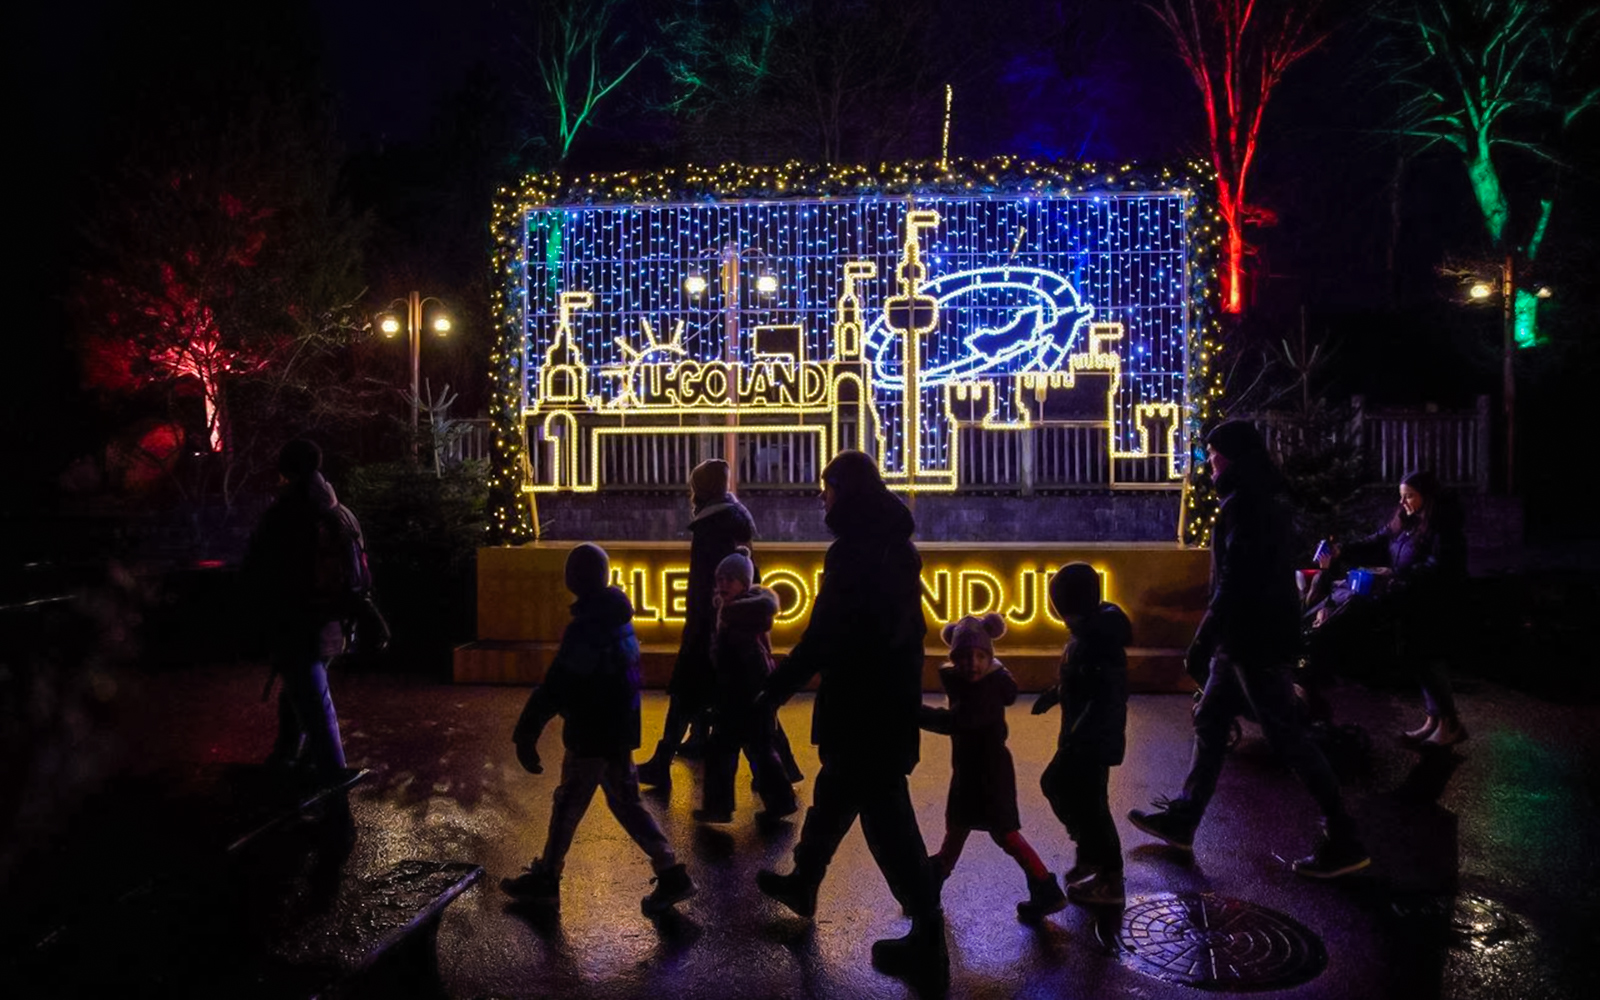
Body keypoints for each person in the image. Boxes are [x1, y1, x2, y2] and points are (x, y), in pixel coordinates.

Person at [1127, 420, 1370, 879]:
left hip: (1251, 640)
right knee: (1211, 719)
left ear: (1234, 456)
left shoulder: (1247, 505)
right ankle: (1183, 818)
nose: (1210, 463)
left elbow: (1237, 581)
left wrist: (1202, 639)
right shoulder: (1256, 499)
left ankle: (1345, 837)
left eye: (1215, 454)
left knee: (1286, 736)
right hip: (1243, 638)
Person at [755, 450, 947, 994]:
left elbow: (827, 635)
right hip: (882, 706)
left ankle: (926, 928)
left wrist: (776, 685)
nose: (823, 496)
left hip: (865, 707)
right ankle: (804, 880)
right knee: (836, 792)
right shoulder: (894, 549)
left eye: (828, 487)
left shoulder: (855, 554)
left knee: (887, 820)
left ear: (847, 491)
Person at [501, 543, 696, 917]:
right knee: (626, 803)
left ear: (574, 579)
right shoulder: (617, 618)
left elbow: (560, 683)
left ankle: (547, 879)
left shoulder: (588, 627)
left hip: (591, 732)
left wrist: (527, 731)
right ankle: (670, 871)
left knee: (568, 803)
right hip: (618, 730)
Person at [638, 459, 803, 787]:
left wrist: (702, 628)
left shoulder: (710, 526)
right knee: (749, 704)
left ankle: (663, 762)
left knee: (688, 694)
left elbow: (704, 586)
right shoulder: (733, 519)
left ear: (701, 489)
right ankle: (783, 765)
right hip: (726, 626)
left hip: (710, 628)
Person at [921, 613, 1066, 922]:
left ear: (989, 657)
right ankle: (932, 884)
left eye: (979, 656)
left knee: (1001, 834)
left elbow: (959, 721)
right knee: (963, 830)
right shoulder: (977, 685)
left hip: (988, 776)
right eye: (964, 657)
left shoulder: (984, 692)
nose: (972, 663)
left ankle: (1044, 886)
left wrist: (916, 713)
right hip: (977, 773)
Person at [1310, 470, 1469, 747]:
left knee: (1431, 661)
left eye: (1409, 496)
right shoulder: (1406, 521)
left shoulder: (1443, 527)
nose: (1404, 502)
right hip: (1409, 600)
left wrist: (1394, 574)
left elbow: (1439, 568)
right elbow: (1379, 538)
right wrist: (1342, 550)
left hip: (1432, 604)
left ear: (1426, 497)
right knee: (1419, 660)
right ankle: (1433, 720)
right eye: (1401, 497)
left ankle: (1449, 723)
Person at [242, 439, 353, 776]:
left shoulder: (284, 516)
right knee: (301, 694)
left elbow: (258, 571)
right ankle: (288, 757)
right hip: (334, 623)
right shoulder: (338, 510)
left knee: (315, 708)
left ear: (285, 470)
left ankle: (333, 789)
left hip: (297, 625)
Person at [1032, 562, 1131, 907]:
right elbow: (1081, 684)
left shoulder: (1096, 641)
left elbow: (1100, 697)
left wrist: (1077, 734)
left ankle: (1109, 876)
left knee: (1084, 801)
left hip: (1089, 741)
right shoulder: (1089, 634)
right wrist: (1056, 693)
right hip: (1083, 738)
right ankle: (1092, 853)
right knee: (1076, 796)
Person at [693, 546, 800, 825]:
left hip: (740, 699)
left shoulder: (736, 618)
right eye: (720, 579)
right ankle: (781, 802)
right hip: (752, 698)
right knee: (760, 752)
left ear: (744, 582)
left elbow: (738, 664)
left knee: (724, 753)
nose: (723, 584)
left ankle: (719, 807)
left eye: (730, 579)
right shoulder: (742, 612)